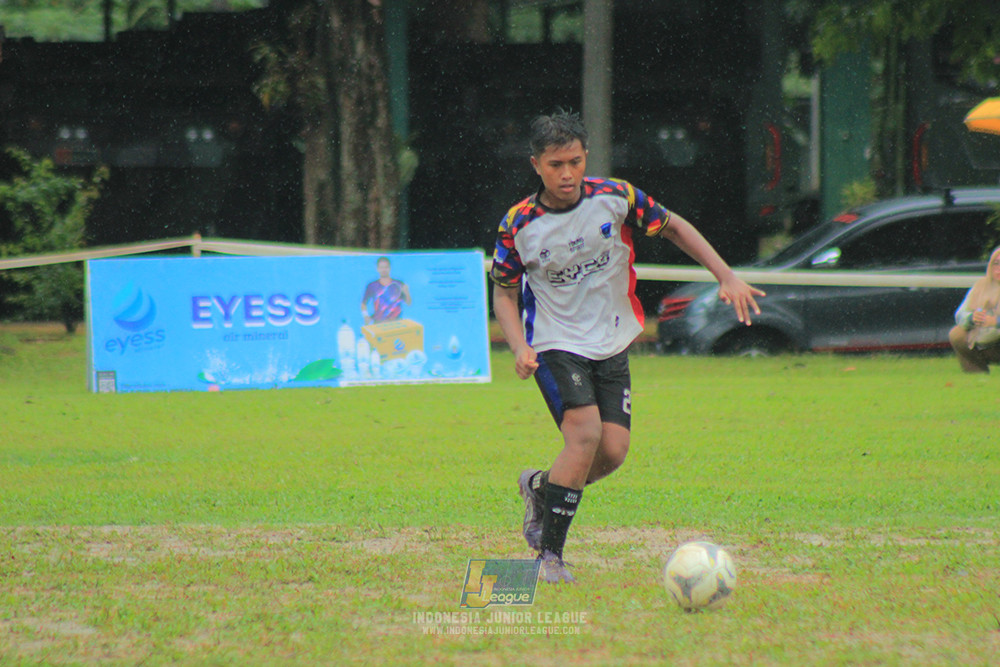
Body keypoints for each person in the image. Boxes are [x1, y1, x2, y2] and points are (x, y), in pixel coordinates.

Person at [490, 110, 765, 584]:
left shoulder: (616, 198)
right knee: (584, 437)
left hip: (611, 341)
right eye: (555, 164)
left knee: (613, 452)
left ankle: (540, 488)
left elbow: (675, 227)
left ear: (586, 157)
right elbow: (505, 291)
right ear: (536, 165)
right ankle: (549, 558)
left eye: (574, 161)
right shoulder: (519, 223)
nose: (567, 173)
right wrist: (518, 346)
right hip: (555, 343)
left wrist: (726, 275)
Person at [949, 247, 1000, 373]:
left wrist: (995, 322)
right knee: (957, 334)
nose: (998, 268)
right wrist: (972, 318)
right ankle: (977, 377)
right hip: (985, 341)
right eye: (996, 263)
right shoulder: (980, 286)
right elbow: (960, 315)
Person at [361, 256, 411, 325]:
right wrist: (365, 316)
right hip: (379, 323)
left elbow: (408, 303)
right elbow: (363, 303)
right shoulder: (372, 286)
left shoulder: (398, 284)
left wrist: (407, 292)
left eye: (386, 267)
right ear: (377, 269)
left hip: (396, 323)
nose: (384, 270)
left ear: (390, 268)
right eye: (381, 267)